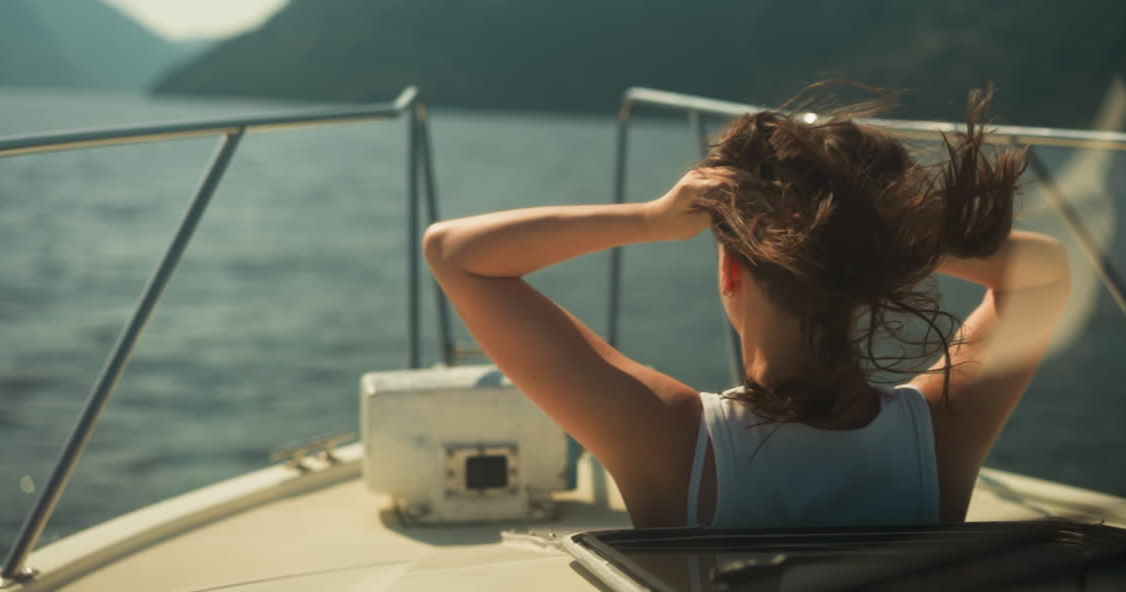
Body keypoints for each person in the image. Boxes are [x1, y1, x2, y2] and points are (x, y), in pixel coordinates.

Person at [422, 83, 1070, 528]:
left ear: (731, 271)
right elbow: (1044, 276)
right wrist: (887, 240)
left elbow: (454, 254)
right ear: (868, 278)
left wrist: (651, 219)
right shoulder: (942, 434)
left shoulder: (672, 443)